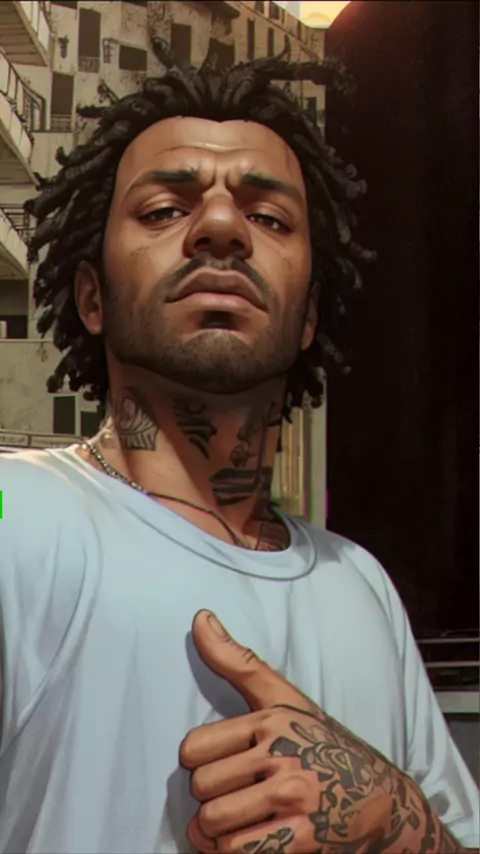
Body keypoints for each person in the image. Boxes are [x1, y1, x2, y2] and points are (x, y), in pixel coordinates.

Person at [0, 44, 478, 854]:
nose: (221, 228)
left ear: (309, 316)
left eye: (270, 218)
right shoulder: (16, 516)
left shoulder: (360, 584)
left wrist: (396, 816)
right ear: (91, 297)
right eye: (164, 210)